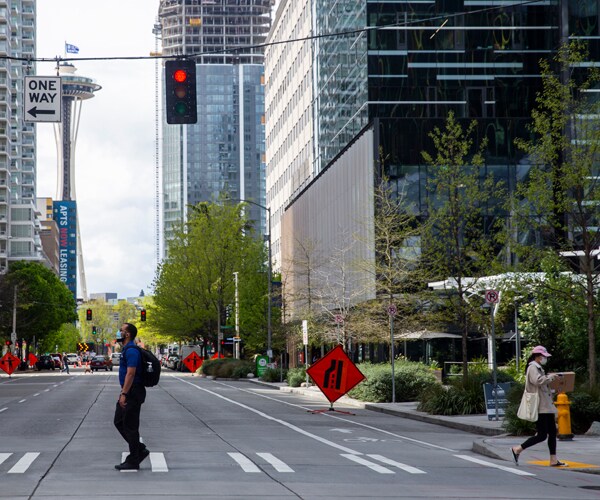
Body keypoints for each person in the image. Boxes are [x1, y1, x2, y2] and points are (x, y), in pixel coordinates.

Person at [511, 345, 566, 467]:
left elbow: (542, 386)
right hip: (540, 407)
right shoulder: (532, 367)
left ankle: (553, 459)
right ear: (538, 357)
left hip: (547, 406)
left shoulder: (539, 367)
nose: (545, 358)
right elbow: (537, 381)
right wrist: (551, 377)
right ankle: (518, 449)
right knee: (541, 435)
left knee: (552, 432)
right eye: (544, 356)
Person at [113, 323, 150, 470]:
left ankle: (134, 458)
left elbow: (131, 373)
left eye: (121, 330)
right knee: (119, 421)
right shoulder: (127, 350)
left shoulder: (132, 351)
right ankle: (139, 450)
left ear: (127, 334)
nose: (118, 332)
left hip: (133, 392)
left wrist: (124, 394)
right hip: (130, 391)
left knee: (130, 426)